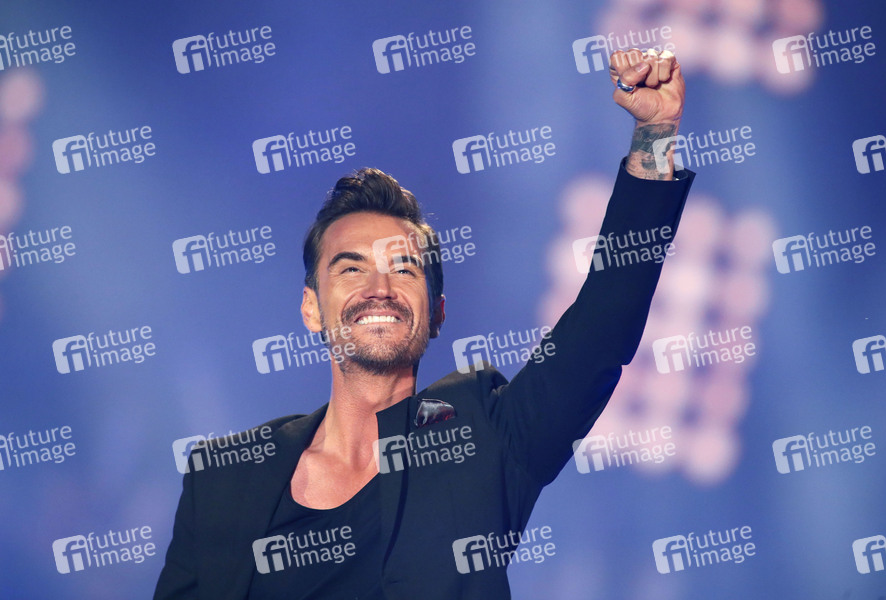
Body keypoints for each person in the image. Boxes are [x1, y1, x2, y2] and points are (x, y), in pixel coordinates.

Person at [154, 48, 695, 599]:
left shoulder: (485, 435)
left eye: (404, 269)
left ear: (437, 312)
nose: (379, 288)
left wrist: (655, 133)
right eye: (351, 268)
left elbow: (601, 326)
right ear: (312, 308)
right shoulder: (224, 478)